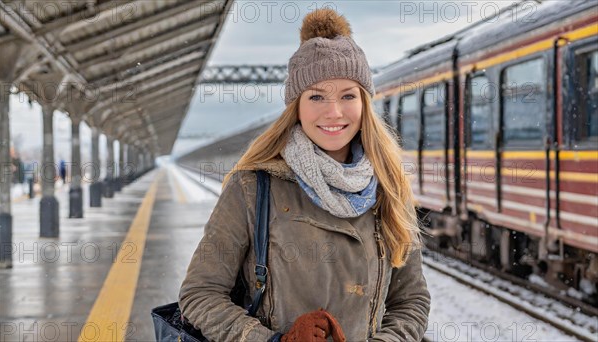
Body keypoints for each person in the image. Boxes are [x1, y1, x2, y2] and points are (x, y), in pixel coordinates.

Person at [180, 8, 430, 342]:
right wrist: (272, 340)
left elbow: (411, 301)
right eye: (316, 96)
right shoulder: (254, 187)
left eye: (347, 95)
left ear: (364, 103)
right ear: (296, 106)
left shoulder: (389, 187)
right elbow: (200, 294)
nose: (334, 112)